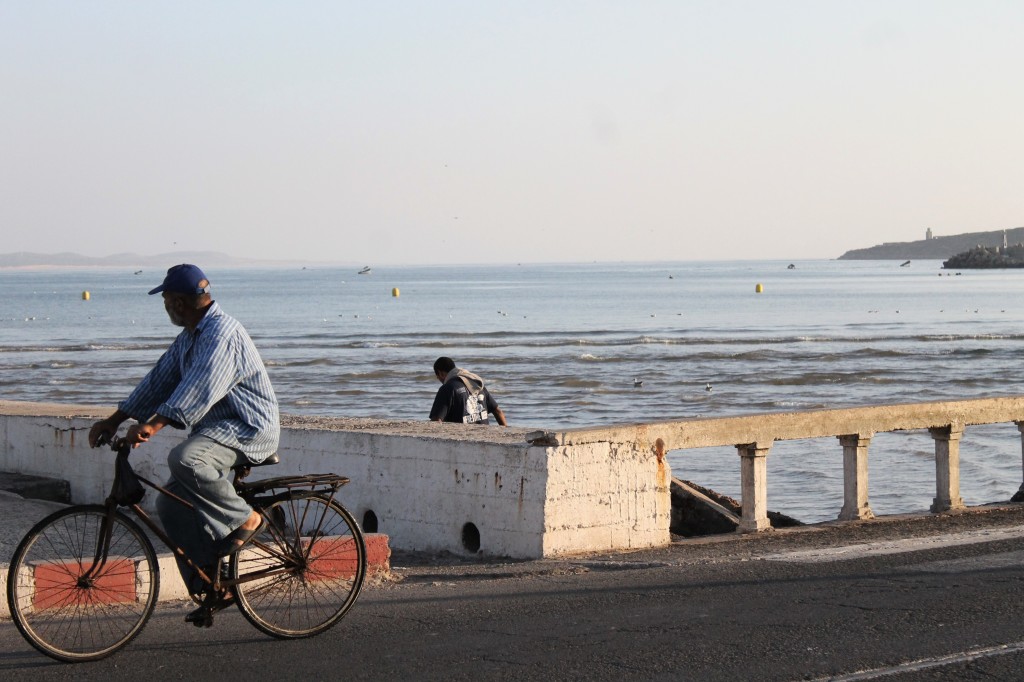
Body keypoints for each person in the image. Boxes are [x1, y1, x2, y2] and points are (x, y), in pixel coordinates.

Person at [88, 264, 279, 623]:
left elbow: (201, 389)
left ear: (177, 303)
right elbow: (158, 380)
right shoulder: (191, 335)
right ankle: (211, 584)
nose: (165, 308)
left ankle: (246, 518)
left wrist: (153, 426)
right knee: (170, 506)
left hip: (247, 428)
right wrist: (115, 420)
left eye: (165, 301)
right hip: (216, 431)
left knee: (186, 459)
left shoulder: (222, 334)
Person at [429, 356, 507, 426]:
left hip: (461, 440)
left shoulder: (447, 388)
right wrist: (505, 433)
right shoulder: (477, 383)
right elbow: (498, 411)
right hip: (484, 438)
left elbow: (436, 421)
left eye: (438, 377)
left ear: (440, 373)